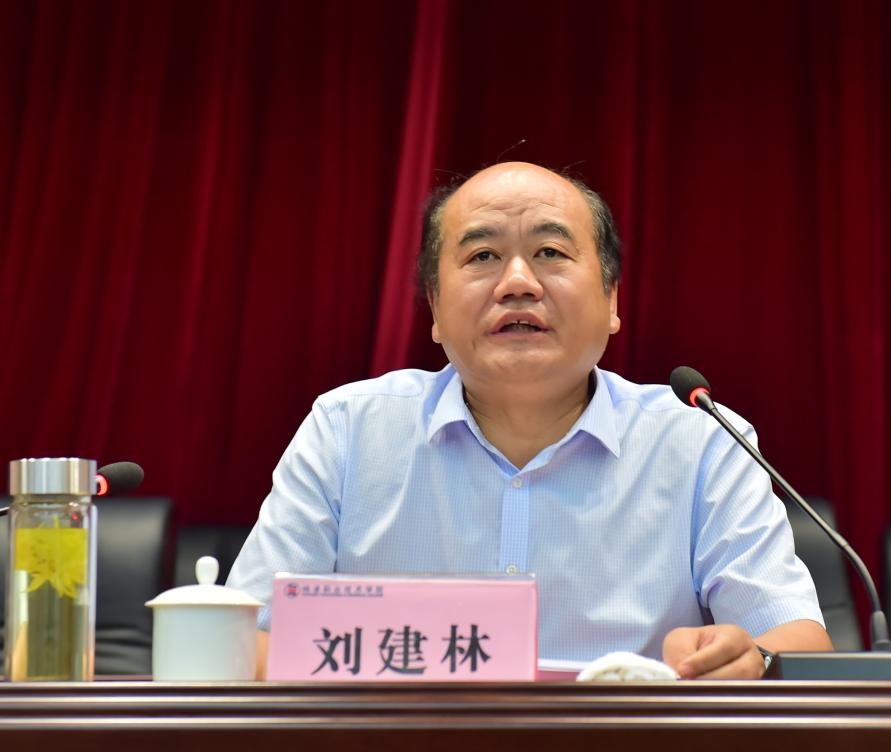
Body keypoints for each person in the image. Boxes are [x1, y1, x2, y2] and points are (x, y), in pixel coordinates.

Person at [226, 161, 832, 679]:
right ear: (434, 306)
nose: (517, 283)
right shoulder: (348, 432)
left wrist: (747, 658)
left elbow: (798, 642)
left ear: (612, 298)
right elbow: (237, 641)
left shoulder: (702, 442)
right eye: (483, 255)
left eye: (550, 252)